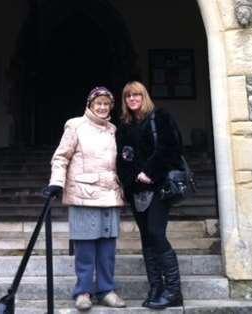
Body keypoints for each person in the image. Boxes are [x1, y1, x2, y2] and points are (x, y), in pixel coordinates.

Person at [43, 86, 126, 311]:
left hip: (110, 195)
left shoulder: (113, 129)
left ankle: (106, 290)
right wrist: (56, 183)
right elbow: (61, 157)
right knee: (86, 249)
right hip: (83, 194)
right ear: (89, 105)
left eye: (106, 104)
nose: (102, 107)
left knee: (107, 250)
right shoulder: (75, 125)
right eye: (98, 103)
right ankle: (83, 292)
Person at [115, 81, 183, 310]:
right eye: (128, 96)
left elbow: (171, 148)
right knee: (146, 238)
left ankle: (174, 291)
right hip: (137, 190)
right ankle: (156, 287)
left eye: (136, 95)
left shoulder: (159, 117)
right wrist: (133, 178)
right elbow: (123, 158)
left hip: (158, 187)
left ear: (144, 96)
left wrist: (150, 172)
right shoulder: (124, 125)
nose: (132, 99)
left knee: (156, 233)